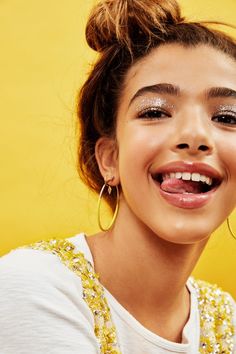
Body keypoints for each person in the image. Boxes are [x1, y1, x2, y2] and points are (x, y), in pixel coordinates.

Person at [0, 0, 236, 353]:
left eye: (227, 118)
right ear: (109, 158)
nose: (196, 136)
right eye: (156, 111)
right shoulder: (33, 285)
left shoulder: (225, 319)